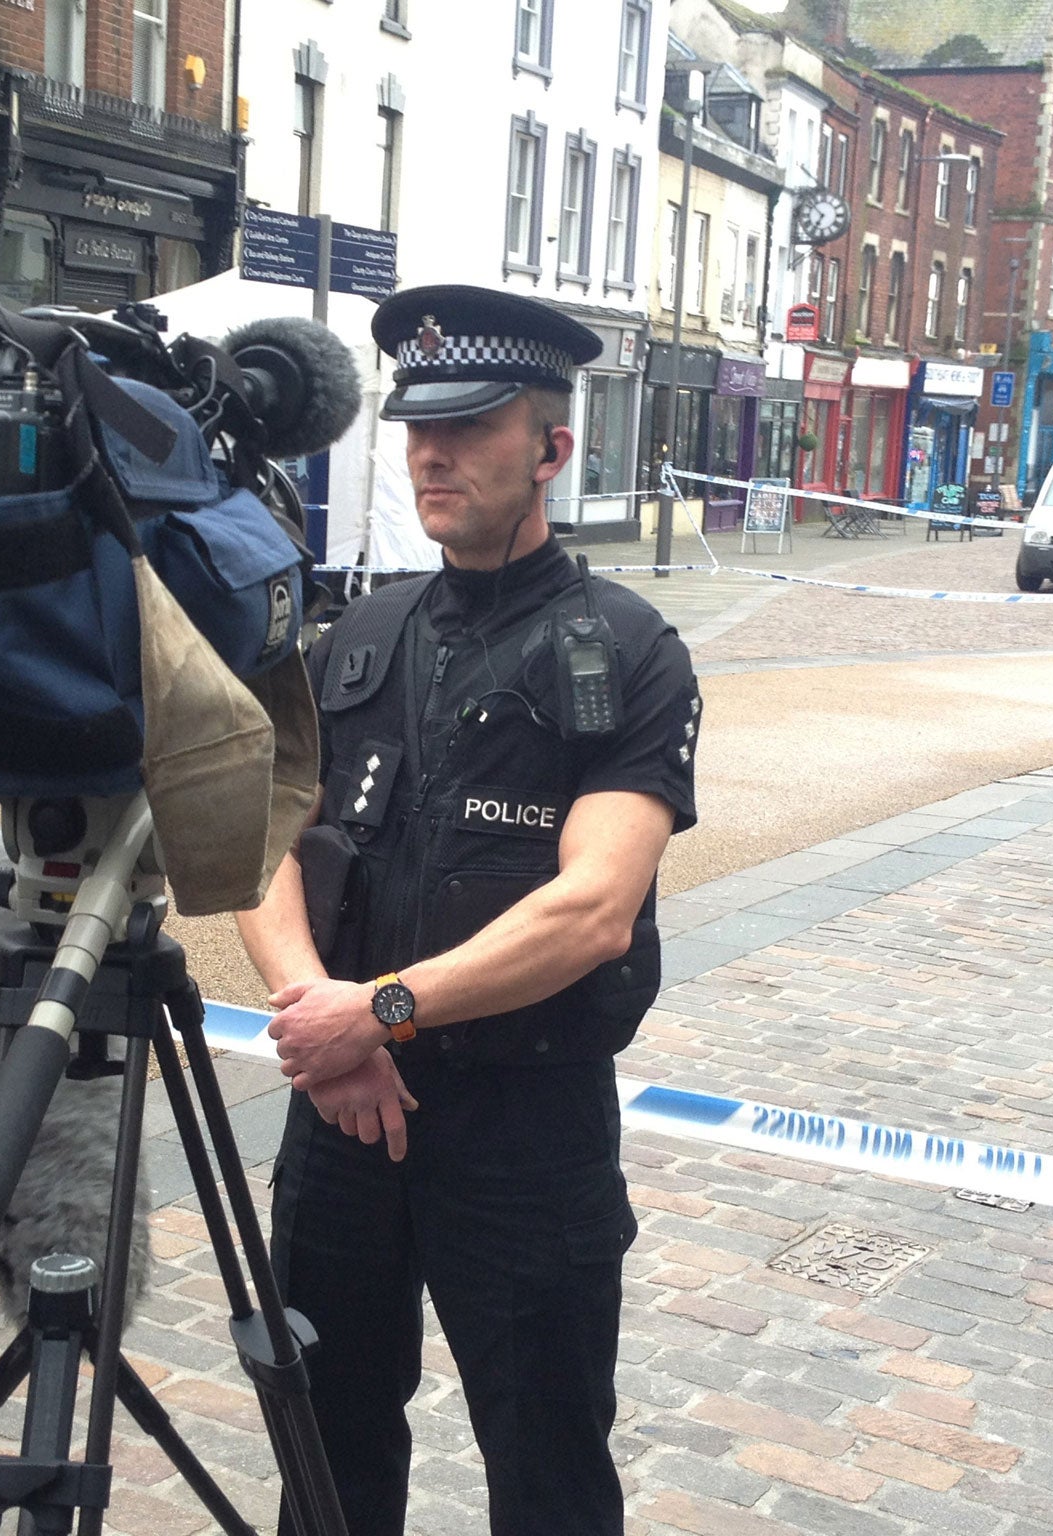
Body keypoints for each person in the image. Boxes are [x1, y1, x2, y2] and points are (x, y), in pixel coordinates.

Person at [237, 286, 699, 1536]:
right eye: (415, 427)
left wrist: (379, 1013)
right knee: (323, 1456)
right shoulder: (356, 636)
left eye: (471, 426)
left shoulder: (629, 650)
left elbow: (594, 908)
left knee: (546, 1462)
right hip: (340, 1127)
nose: (429, 454)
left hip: (521, 1131)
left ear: (550, 447)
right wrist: (318, 1023)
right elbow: (265, 842)